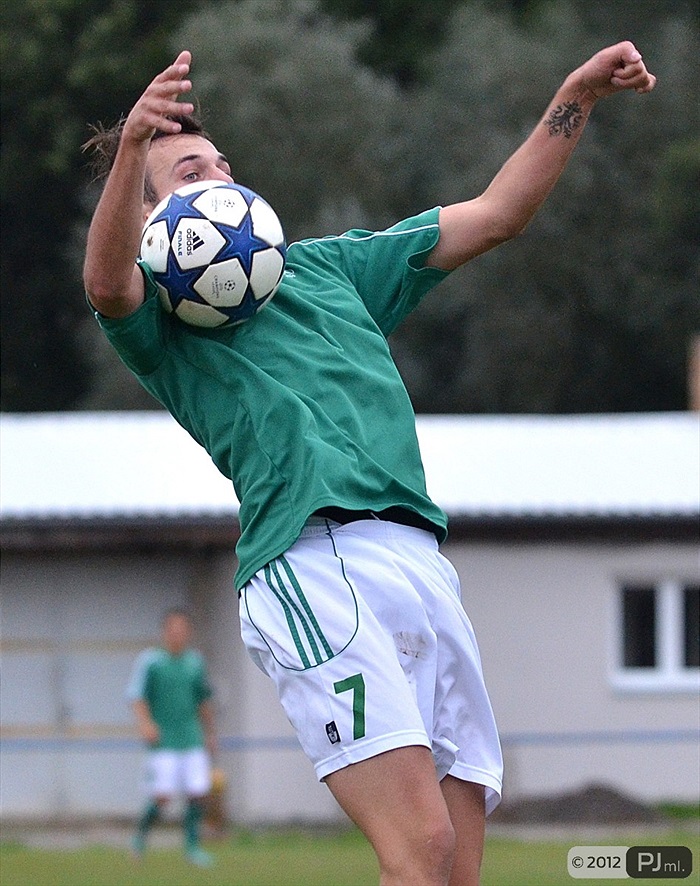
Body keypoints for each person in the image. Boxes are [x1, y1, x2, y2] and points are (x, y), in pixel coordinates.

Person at [84, 43, 655, 886]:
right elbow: (105, 284)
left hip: (421, 562)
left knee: (456, 869)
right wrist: (131, 146)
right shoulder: (163, 325)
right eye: (181, 178)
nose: (211, 181)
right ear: (152, 226)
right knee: (418, 850)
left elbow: (497, 213)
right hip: (310, 564)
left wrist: (576, 96)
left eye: (215, 164)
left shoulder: (337, 268)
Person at [126, 607, 217, 867]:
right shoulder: (151, 661)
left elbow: (203, 701)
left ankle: (192, 848)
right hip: (164, 739)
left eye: (182, 629)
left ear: (188, 633)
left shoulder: (195, 662)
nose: (177, 634)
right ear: (165, 632)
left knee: (197, 793)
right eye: (172, 629)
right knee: (162, 796)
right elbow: (137, 696)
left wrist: (210, 733)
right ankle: (139, 841)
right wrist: (145, 723)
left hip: (192, 737)